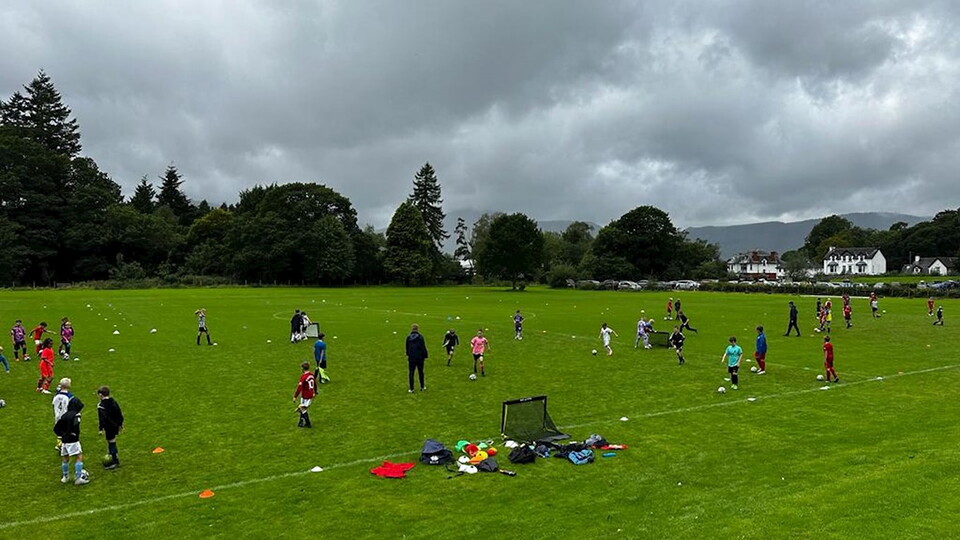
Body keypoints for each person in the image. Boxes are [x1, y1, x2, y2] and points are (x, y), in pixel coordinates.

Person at [53, 397, 88, 485]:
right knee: (79, 456)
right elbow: (75, 426)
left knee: (65, 458)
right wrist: (73, 433)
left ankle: (65, 477)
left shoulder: (65, 415)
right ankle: (78, 478)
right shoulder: (76, 415)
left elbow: (56, 428)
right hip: (73, 440)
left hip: (64, 441)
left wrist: (62, 435)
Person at [96, 386, 124, 469]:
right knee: (112, 441)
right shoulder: (113, 402)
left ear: (101, 395)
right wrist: (120, 424)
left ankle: (114, 460)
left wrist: (101, 429)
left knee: (111, 441)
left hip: (109, 426)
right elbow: (119, 413)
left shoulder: (101, 405)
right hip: (115, 425)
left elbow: (102, 418)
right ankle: (112, 456)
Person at [405, 324, 428, 392]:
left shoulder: (408, 337)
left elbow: (407, 347)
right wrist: (425, 355)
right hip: (419, 357)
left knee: (411, 372)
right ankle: (422, 386)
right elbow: (423, 347)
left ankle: (411, 388)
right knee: (420, 372)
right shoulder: (420, 337)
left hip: (412, 357)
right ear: (417, 329)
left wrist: (408, 354)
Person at [292, 362, 316, 428]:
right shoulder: (311, 375)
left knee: (303, 409)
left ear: (303, 369)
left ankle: (308, 423)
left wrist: (295, 396)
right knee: (303, 409)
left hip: (305, 396)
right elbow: (315, 384)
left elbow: (299, 388)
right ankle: (301, 422)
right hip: (310, 395)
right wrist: (315, 392)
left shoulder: (303, 377)